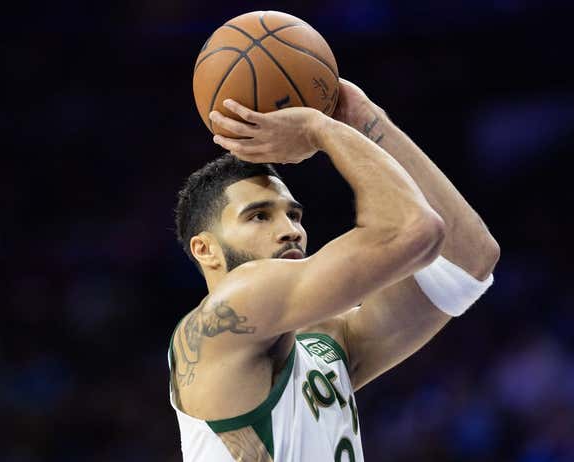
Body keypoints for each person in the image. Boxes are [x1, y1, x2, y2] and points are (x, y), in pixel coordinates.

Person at [168, 79, 500, 461]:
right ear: (205, 249)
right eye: (259, 216)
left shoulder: (326, 342)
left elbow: (470, 259)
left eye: (294, 215)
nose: (290, 230)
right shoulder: (225, 316)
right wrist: (320, 128)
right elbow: (416, 230)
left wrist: (364, 118)